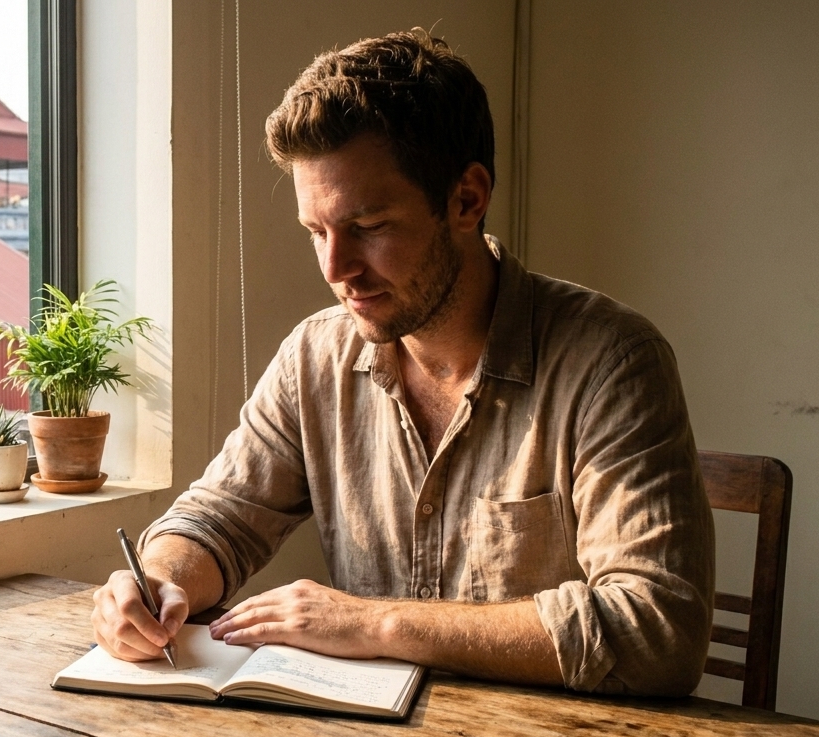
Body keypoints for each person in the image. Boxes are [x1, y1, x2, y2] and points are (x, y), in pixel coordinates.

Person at [91, 28, 715, 697]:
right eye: (317, 233)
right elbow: (219, 518)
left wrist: (377, 623)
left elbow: (659, 631)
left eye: (368, 227)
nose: (337, 270)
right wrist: (158, 579)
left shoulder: (612, 363)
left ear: (466, 201)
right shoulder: (315, 357)